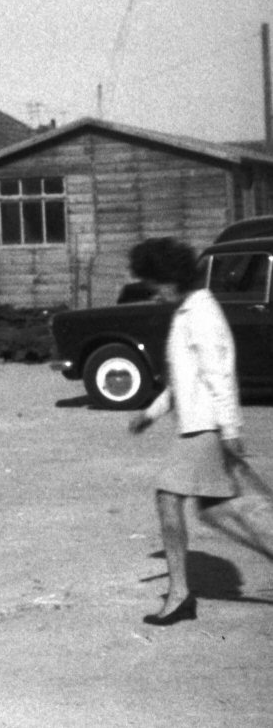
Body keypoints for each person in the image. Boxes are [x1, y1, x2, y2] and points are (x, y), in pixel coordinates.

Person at [125, 236, 273, 624]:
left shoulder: (202, 312)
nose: (154, 294)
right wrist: (150, 413)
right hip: (198, 427)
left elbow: (219, 373)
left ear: (170, 280)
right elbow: (182, 382)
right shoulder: (187, 311)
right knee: (219, 510)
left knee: (167, 498)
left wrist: (229, 427)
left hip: (205, 428)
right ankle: (181, 593)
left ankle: (179, 595)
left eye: (154, 285)